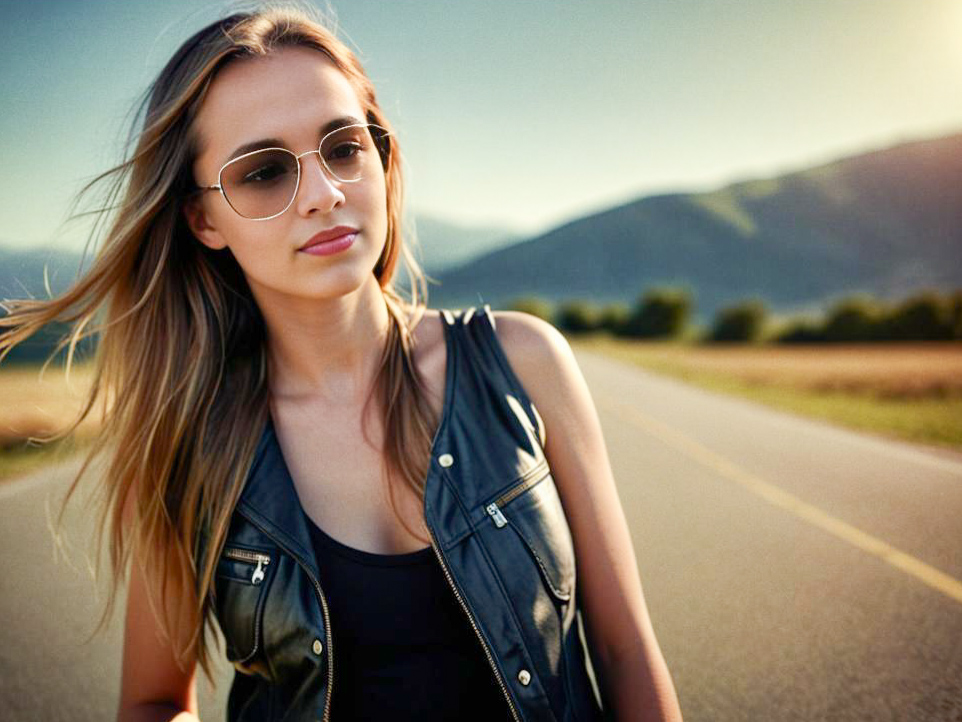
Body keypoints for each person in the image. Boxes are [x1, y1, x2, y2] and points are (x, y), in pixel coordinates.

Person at [0, 5, 683, 721]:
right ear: (203, 220)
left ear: (380, 156)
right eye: (264, 172)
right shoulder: (188, 445)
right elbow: (152, 702)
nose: (325, 194)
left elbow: (625, 651)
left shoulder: (522, 362)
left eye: (343, 147)